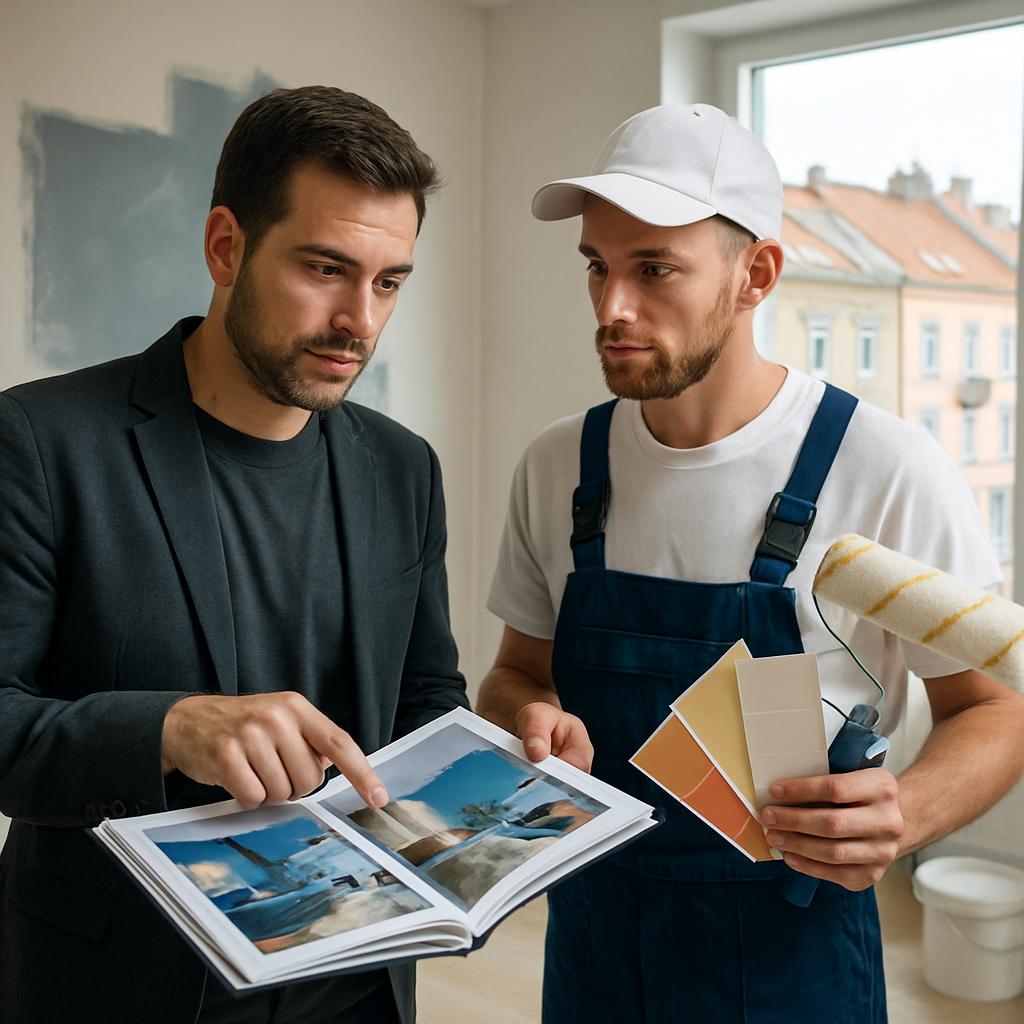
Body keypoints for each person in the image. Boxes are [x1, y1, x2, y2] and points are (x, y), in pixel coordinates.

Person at [478, 103, 1024, 1023]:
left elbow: (994, 708)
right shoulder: (558, 467)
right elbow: (514, 672)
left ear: (757, 274)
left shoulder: (887, 467)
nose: (613, 307)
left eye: (655, 270)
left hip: (793, 963)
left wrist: (907, 813)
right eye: (599, 268)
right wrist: (527, 719)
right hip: (594, 949)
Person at [0, 86, 468, 1024]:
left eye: (388, 282)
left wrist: (508, 770)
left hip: (357, 985)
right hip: (119, 986)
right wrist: (169, 728)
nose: (360, 321)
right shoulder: (40, 442)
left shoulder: (404, 469)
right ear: (225, 246)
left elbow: (427, 704)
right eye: (327, 269)